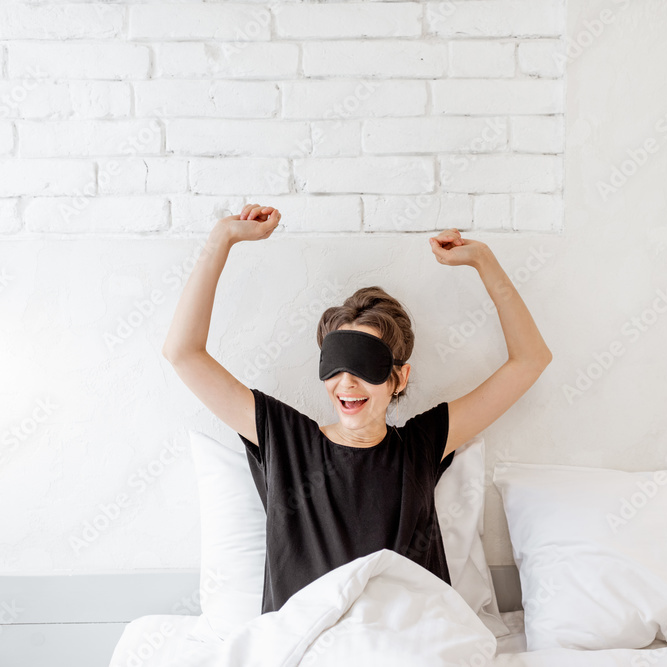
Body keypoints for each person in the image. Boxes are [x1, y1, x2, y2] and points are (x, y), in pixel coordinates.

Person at [162, 203, 552, 614]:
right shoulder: (285, 438)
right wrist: (222, 239)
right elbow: (183, 353)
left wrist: (482, 260)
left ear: (399, 378)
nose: (346, 383)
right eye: (335, 367)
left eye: (364, 367)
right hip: (310, 647)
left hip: (408, 645)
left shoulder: (421, 444)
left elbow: (531, 360)